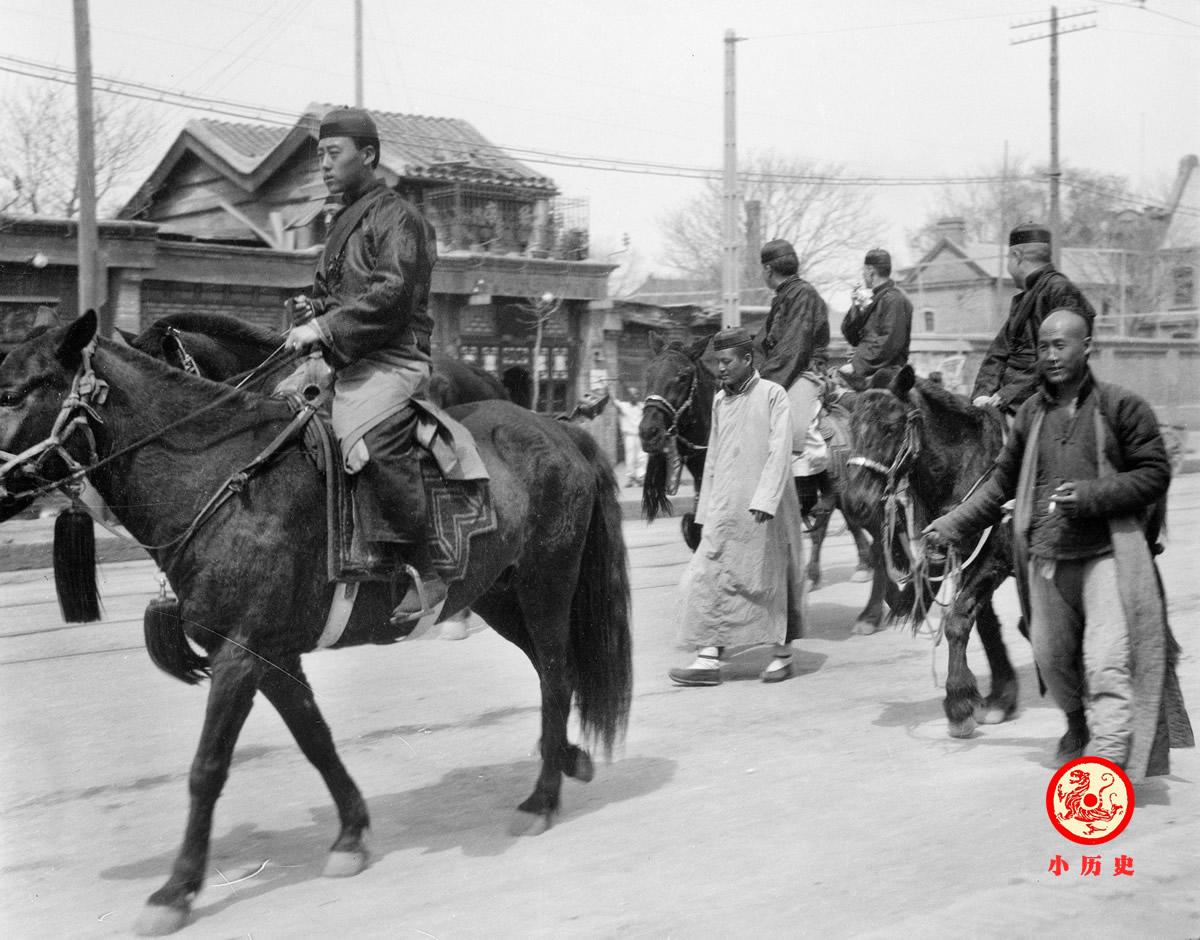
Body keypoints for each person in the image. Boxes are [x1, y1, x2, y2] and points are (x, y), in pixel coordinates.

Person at [924, 309, 1192, 779]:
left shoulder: (1121, 406)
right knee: (1051, 659)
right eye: (1044, 346)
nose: (1050, 355)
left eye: (1061, 345)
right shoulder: (1031, 414)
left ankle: (1107, 771)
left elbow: (1154, 473)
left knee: (1106, 663)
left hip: (1108, 555)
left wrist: (1093, 495)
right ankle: (1076, 724)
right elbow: (1000, 485)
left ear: (1087, 347)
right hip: (1048, 557)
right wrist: (950, 524)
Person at [284, 106, 444, 624]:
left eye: (334, 153)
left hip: (395, 357)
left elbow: (392, 295)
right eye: (320, 155)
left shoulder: (400, 217)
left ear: (368, 155)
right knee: (276, 410)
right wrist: (315, 312)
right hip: (348, 359)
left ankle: (427, 568)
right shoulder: (342, 220)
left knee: (367, 438)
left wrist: (324, 328)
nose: (324, 165)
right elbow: (338, 295)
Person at [669, 327, 806, 687]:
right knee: (705, 574)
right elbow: (713, 456)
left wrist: (766, 499)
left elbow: (780, 450)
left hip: (765, 509)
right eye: (717, 362)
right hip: (724, 507)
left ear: (747, 359)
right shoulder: (719, 400)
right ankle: (707, 658)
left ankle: (782, 656)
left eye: (727, 361)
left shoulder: (773, 395)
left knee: (769, 579)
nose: (721, 369)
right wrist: (705, 511)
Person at [971, 222, 1096, 416]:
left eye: (1008, 259)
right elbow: (998, 352)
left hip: (1044, 405)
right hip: (1008, 402)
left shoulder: (1060, 291)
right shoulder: (1027, 296)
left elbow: (1060, 358)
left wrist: (1006, 395)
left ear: (1017, 256)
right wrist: (982, 395)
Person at [755, 238, 831, 524]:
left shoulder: (803, 294)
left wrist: (763, 384)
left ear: (768, 269)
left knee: (796, 425)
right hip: (784, 368)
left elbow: (794, 348)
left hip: (804, 370)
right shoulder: (784, 295)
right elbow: (764, 345)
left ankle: (814, 493)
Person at [837, 248, 913, 392]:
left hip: (886, 378)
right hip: (868, 372)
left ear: (870, 271)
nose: (862, 274)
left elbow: (889, 343)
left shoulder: (894, 300)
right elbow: (853, 338)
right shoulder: (874, 299)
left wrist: (856, 366)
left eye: (864, 270)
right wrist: (855, 307)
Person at [614, 388, 647, 487]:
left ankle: (641, 477)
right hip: (630, 436)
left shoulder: (642, 406)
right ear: (628, 396)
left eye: (636, 394)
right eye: (631, 394)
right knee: (630, 457)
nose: (633, 396)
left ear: (639, 395)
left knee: (642, 456)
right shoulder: (624, 406)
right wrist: (608, 389)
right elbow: (614, 401)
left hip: (641, 435)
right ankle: (631, 478)